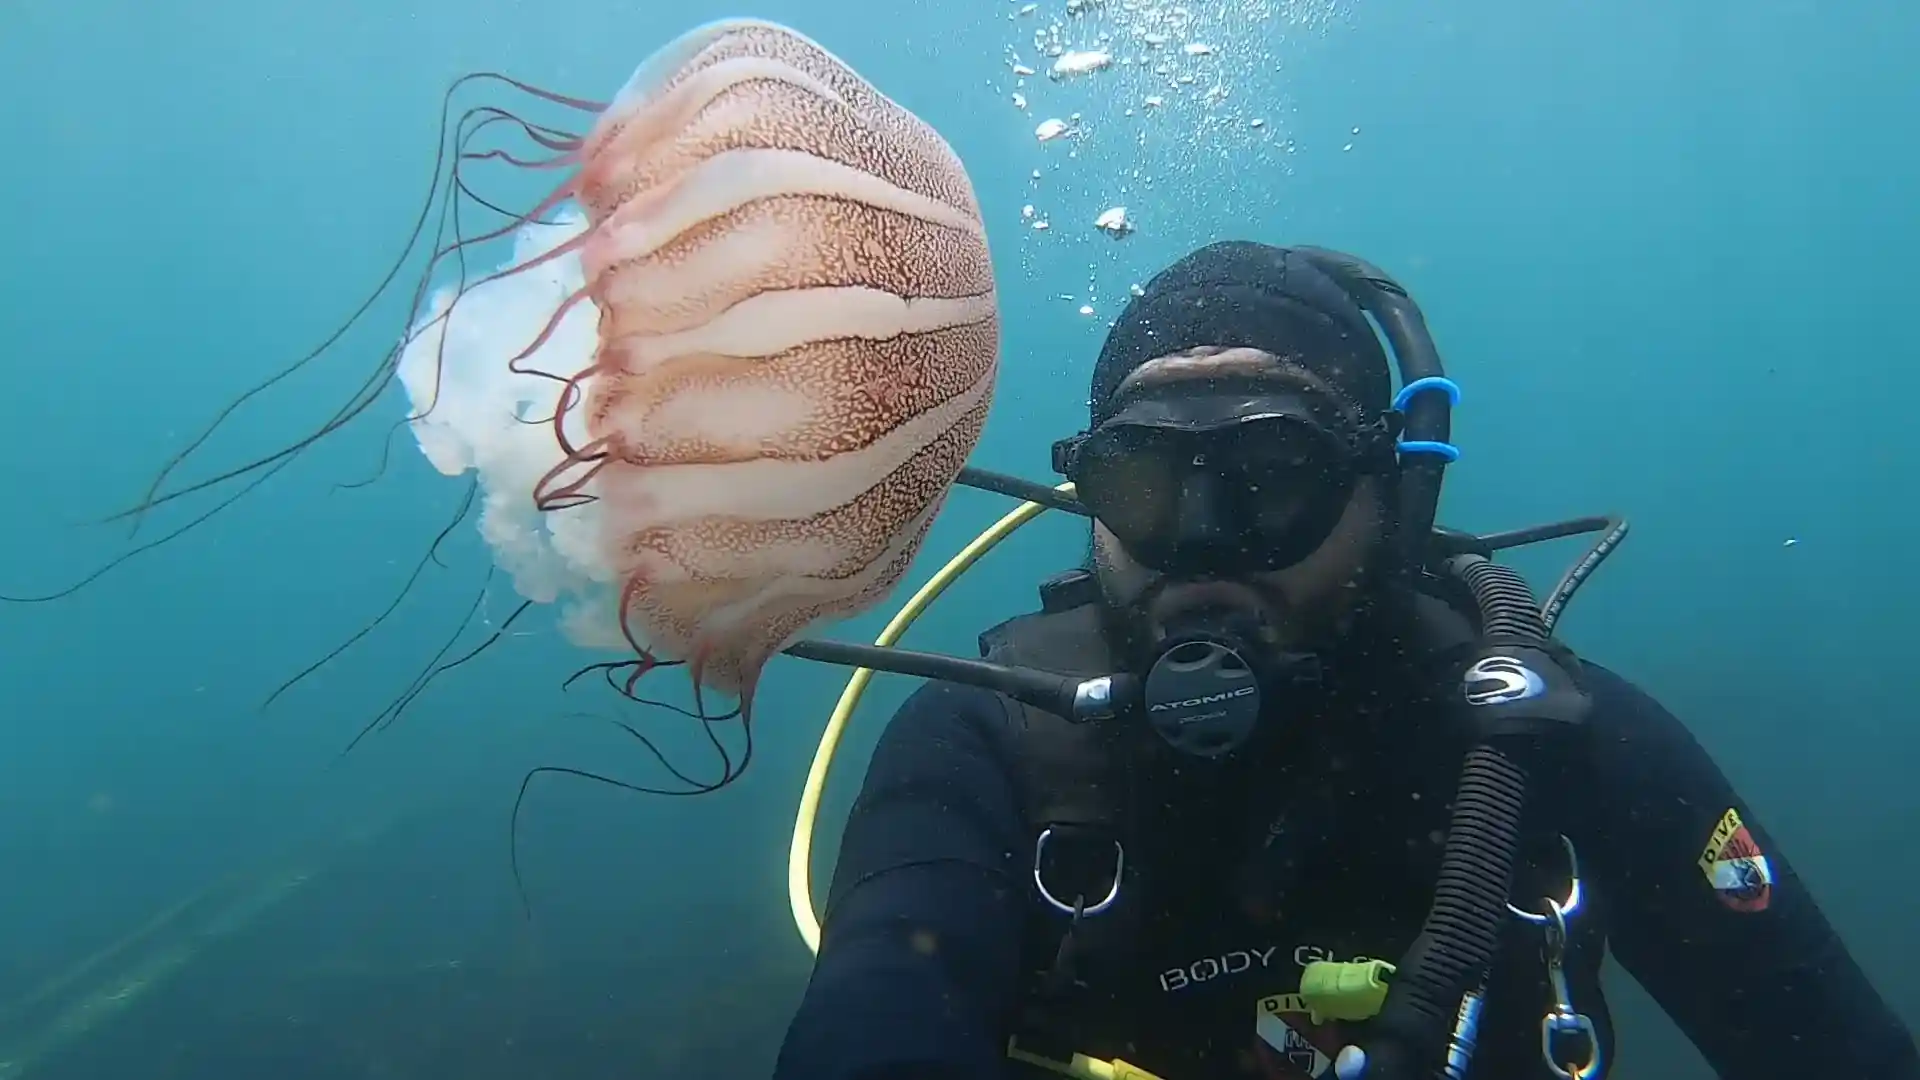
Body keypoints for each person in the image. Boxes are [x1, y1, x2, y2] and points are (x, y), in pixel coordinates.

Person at [771, 242, 1916, 1080]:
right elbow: (874, 1024)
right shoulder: (985, 745)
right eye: (1147, 484)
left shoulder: (1555, 741)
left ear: (1391, 495)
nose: (1205, 548)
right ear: (1090, 496)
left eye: (1275, 476)